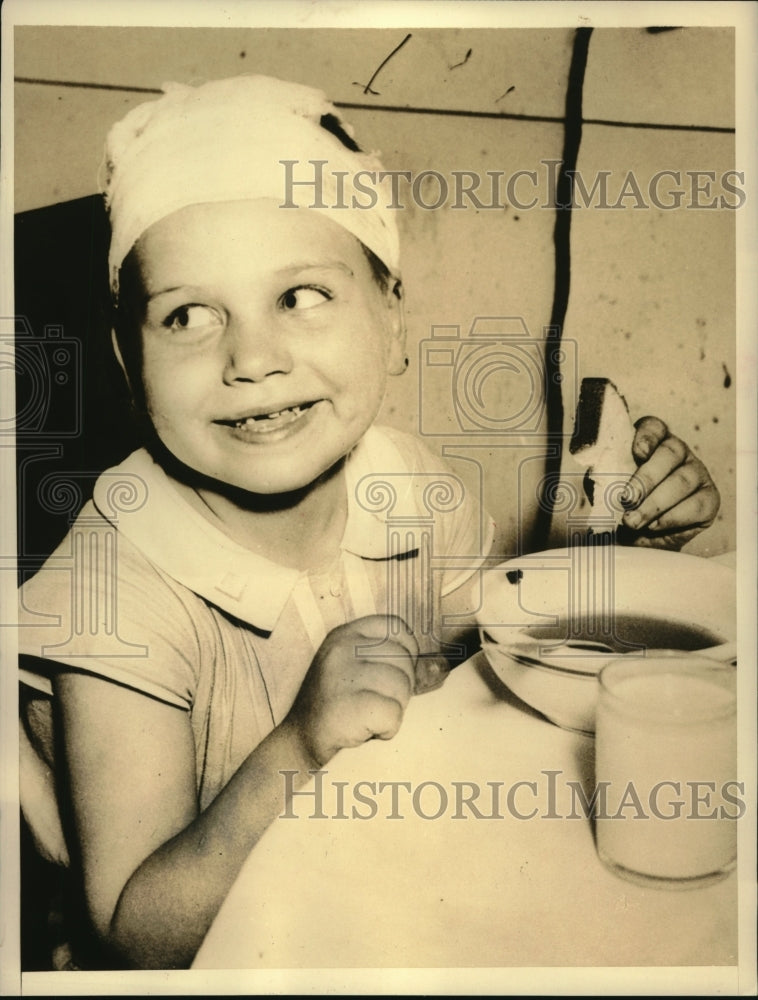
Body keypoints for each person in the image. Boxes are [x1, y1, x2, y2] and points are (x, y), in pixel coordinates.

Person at [17, 74, 720, 970]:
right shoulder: (119, 583)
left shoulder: (404, 478)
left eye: (300, 295)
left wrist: (624, 547)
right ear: (126, 356)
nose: (253, 360)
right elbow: (131, 933)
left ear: (392, 315)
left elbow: (503, 676)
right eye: (188, 314)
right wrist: (299, 747)